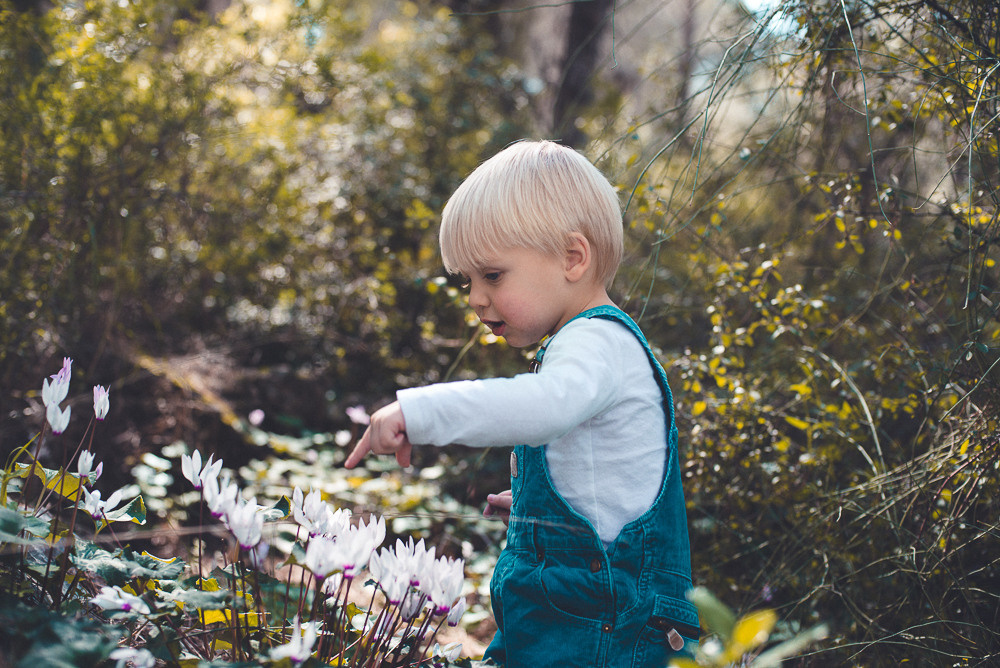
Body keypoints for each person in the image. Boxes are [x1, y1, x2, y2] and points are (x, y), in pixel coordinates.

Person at [344, 139, 699, 666]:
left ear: (572, 258)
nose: (475, 298)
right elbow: (613, 478)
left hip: (601, 628)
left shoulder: (596, 341)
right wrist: (548, 505)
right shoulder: (589, 345)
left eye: (492, 275)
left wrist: (419, 413)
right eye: (468, 281)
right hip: (570, 614)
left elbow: (544, 406)